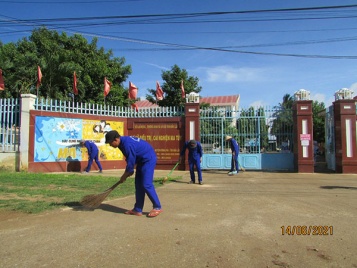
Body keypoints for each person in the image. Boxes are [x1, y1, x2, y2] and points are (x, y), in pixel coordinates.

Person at [105, 130, 162, 218]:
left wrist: (126, 174)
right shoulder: (121, 143)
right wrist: (129, 171)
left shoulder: (127, 144)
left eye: (110, 143)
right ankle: (138, 209)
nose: (110, 145)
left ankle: (157, 207)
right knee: (138, 185)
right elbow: (130, 157)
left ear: (116, 139)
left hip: (148, 159)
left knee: (146, 184)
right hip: (141, 161)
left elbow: (131, 161)